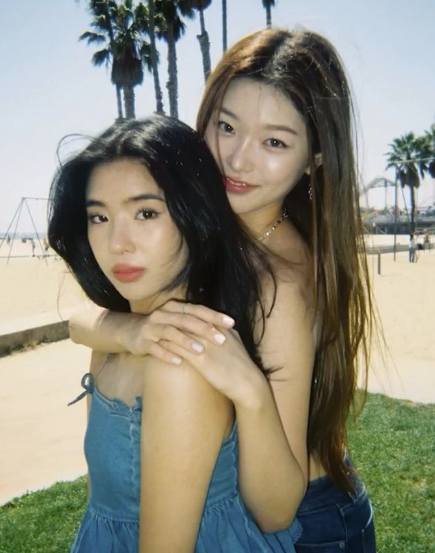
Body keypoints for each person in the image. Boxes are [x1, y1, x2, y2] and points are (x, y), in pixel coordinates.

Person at [69, 29, 377, 552]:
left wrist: (250, 391)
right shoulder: (214, 228)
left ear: (315, 158)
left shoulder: (276, 284)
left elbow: (277, 507)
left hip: (313, 523)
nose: (238, 160)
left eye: (275, 142)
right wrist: (131, 329)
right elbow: (80, 319)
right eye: (227, 126)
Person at [48, 115, 302, 553]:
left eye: (146, 212)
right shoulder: (115, 340)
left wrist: (254, 395)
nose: (118, 243)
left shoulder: (177, 367)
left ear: (193, 214)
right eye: (99, 216)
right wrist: (126, 331)